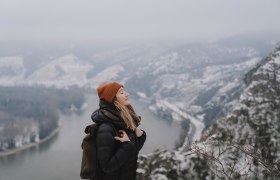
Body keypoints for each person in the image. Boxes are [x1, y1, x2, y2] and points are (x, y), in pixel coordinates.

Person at [91, 82, 146, 180]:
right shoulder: (106, 129)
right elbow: (107, 167)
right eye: (121, 92)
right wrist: (126, 145)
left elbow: (131, 153)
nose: (126, 94)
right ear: (112, 99)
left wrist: (141, 136)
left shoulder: (123, 121)